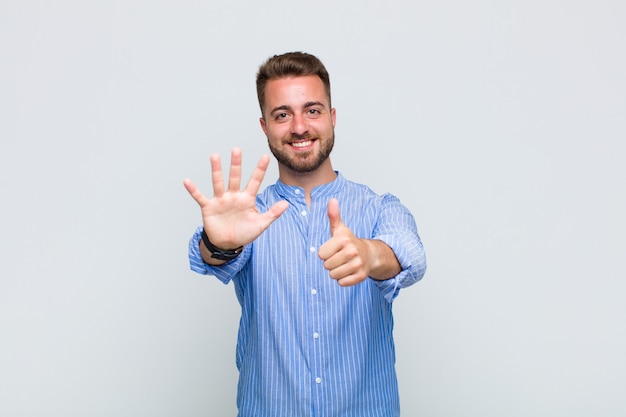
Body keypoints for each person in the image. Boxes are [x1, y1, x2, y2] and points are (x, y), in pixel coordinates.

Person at [183, 51, 427, 417]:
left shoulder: (379, 208)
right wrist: (219, 243)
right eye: (283, 115)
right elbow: (209, 256)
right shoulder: (251, 218)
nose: (299, 126)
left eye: (312, 110)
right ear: (265, 126)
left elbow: (408, 255)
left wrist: (368, 254)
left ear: (331, 118)